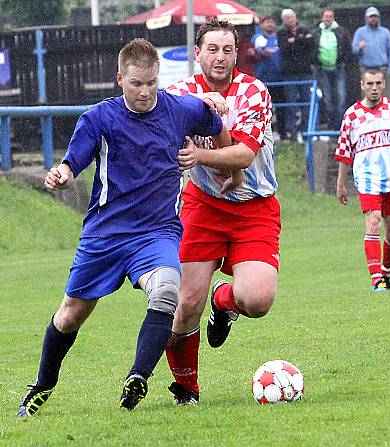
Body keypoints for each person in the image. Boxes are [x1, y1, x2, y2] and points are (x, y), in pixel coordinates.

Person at [17, 38, 233, 417]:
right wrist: (62, 174)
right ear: (120, 79)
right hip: (105, 234)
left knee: (166, 291)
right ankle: (43, 384)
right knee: (70, 315)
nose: (145, 92)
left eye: (151, 83)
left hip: (157, 231)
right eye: (136, 84)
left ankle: (138, 377)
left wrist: (227, 168)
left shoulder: (180, 109)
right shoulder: (99, 117)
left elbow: (216, 124)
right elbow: (73, 162)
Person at [164, 19, 281, 405]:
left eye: (227, 50)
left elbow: (244, 155)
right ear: (197, 53)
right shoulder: (179, 93)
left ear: (237, 54)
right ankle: (187, 390)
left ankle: (224, 301)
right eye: (211, 49)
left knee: (259, 301)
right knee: (184, 305)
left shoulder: (253, 91)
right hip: (203, 205)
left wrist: (201, 155)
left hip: (254, 207)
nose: (219, 57)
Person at [335, 67, 390, 291]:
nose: (374, 88)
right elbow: (344, 153)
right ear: (363, 86)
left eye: (378, 84)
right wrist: (341, 185)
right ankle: (376, 280)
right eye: (370, 84)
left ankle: (386, 272)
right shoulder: (352, 115)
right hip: (367, 179)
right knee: (373, 222)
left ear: (383, 85)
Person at [277, 8, 315, 143]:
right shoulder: (281, 32)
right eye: (287, 18)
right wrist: (301, 41)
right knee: (291, 102)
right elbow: (284, 49)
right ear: (284, 20)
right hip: (290, 73)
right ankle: (292, 131)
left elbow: (311, 44)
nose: (290, 20)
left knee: (307, 101)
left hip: (305, 71)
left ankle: (307, 130)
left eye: (291, 17)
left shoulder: (304, 29)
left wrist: (295, 41)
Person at [312, 8, 351, 131]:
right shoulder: (316, 32)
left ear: (333, 18)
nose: (328, 18)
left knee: (341, 97)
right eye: (326, 16)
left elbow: (348, 48)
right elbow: (312, 50)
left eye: (330, 16)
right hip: (323, 69)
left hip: (338, 67)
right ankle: (331, 127)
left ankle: (342, 127)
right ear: (322, 18)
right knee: (327, 98)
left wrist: (342, 60)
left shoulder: (342, 31)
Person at [251, 16, 285, 141]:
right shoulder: (258, 38)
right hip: (263, 79)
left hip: (279, 78)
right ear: (262, 24)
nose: (270, 24)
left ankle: (283, 133)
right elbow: (262, 51)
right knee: (265, 108)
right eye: (267, 22)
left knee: (281, 107)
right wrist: (262, 51)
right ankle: (265, 134)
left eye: (272, 22)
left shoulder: (279, 38)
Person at [352, 6, 390, 98]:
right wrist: (360, 47)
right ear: (367, 18)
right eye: (371, 16)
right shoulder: (360, 32)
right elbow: (354, 50)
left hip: (383, 69)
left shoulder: (385, 32)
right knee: (367, 97)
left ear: (378, 18)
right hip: (366, 69)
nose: (373, 19)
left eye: (375, 16)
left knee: (387, 96)